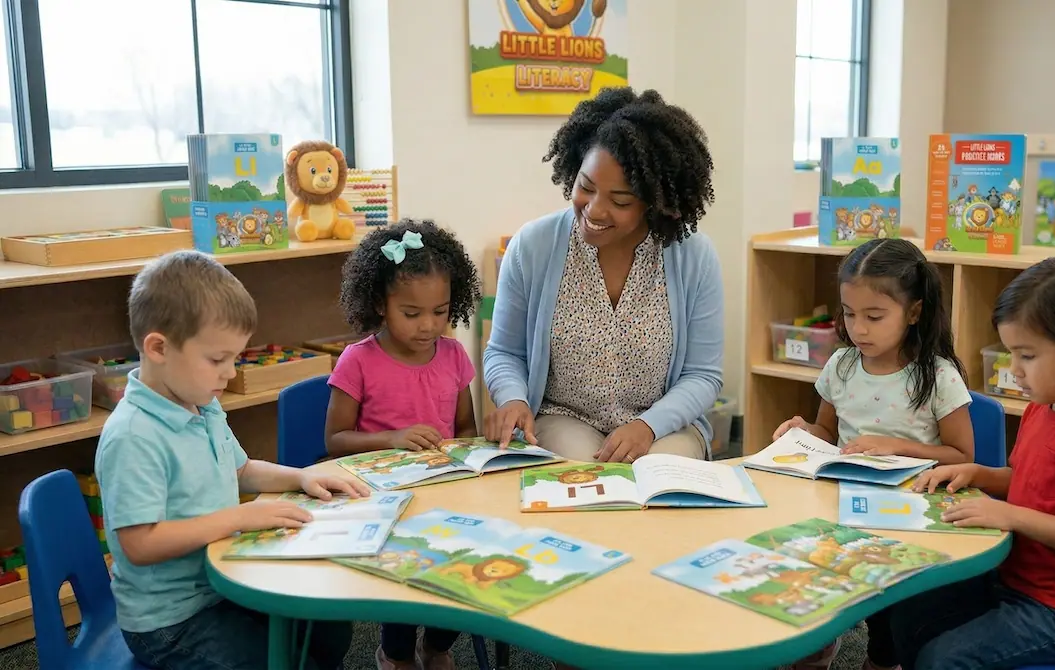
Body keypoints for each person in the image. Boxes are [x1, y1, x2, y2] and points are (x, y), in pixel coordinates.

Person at [96, 250, 367, 670]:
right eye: (217, 360)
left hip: (223, 584)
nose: (229, 373)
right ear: (158, 348)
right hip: (171, 622)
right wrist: (239, 518)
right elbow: (140, 544)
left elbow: (240, 469)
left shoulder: (200, 402)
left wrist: (302, 477)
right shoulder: (134, 436)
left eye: (236, 358)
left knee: (327, 625)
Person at [892, 255, 1055, 670]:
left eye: (1027, 356)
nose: (1014, 370)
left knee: (945, 658)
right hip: (1015, 580)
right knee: (910, 611)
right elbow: (1029, 481)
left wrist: (1013, 516)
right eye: (1011, 353)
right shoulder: (1043, 408)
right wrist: (979, 475)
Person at [482, 86, 723, 464]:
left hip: (664, 424)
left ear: (656, 203)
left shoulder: (694, 256)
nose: (594, 210)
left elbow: (703, 375)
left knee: (662, 477)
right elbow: (504, 352)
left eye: (621, 201)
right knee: (584, 476)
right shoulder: (533, 246)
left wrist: (648, 426)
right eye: (586, 187)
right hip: (563, 417)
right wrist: (513, 398)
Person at [771, 238, 975, 670]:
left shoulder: (937, 375)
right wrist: (801, 432)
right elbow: (827, 431)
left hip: (909, 506)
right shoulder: (842, 365)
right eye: (849, 314)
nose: (858, 328)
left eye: (874, 316)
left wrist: (897, 445)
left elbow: (961, 455)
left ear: (914, 312)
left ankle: (883, 657)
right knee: (804, 555)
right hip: (841, 496)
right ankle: (818, 640)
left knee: (890, 599)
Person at [324, 220, 482, 670]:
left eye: (441, 311)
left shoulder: (453, 355)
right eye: (411, 313)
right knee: (401, 574)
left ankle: (437, 645)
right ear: (380, 303)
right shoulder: (358, 360)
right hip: (383, 499)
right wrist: (392, 438)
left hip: (443, 492)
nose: (428, 325)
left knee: (458, 560)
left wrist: (466, 454)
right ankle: (394, 653)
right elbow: (334, 440)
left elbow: (465, 426)